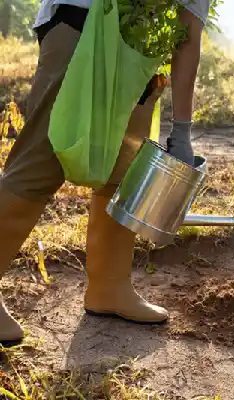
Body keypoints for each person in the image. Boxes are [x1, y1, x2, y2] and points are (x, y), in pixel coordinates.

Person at [0, 0, 209, 346]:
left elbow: (187, 33)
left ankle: (109, 287)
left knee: (122, 169)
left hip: (140, 51)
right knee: (42, 163)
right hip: (80, 28)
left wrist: (182, 132)